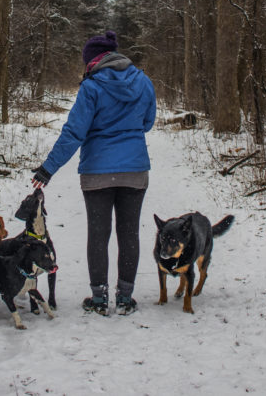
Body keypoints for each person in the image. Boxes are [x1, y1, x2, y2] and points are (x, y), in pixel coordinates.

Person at [31, 30, 156, 316]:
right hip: (135, 171)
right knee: (129, 234)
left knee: (98, 235)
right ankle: (125, 298)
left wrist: (48, 168)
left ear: (93, 61)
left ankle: (99, 299)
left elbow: (74, 132)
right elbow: (147, 123)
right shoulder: (143, 81)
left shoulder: (91, 87)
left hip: (97, 172)